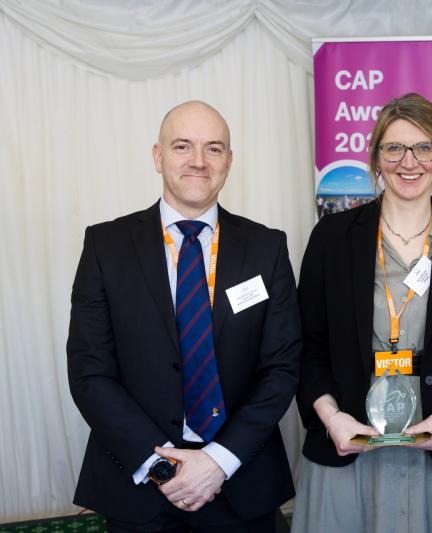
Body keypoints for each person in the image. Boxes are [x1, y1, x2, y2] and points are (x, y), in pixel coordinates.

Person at [67, 101, 301, 532]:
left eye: (213, 149)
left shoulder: (267, 248)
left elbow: (282, 368)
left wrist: (217, 461)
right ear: (158, 156)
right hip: (138, 488)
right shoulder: (106, 246)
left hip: (239, 483)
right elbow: (89, 372)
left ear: (229, 162)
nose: (198, 161)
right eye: (182, 146)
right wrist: (160, 466)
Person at [291, 93, 432, 532]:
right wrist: (332, 419)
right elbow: (305, 346)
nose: (409, 162)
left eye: (424, 147)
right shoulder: (332, 239)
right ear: (376, 158)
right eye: (394, 148)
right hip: (347, 454)